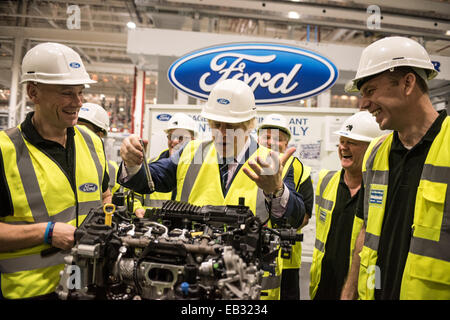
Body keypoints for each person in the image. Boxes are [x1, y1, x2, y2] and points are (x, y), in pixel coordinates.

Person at [118, 79, 306, 300]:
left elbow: (297, 217)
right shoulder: (191, 152)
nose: (222, 133)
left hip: (248, 288)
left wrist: (276, 190)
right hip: (192, 280)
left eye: (232, 127)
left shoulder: (271, 162)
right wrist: (132, 164)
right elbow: (149, 181)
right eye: (216, 124)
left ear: (250, 124)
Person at [341, 36, 450, 300]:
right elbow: (366, 231)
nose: (363, 104)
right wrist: (349, 291)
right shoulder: (376, 153)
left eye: (370, 91)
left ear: (408, 83)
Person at [0, 42, 110, 299]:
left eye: (80, 93)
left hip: (85, 284)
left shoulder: (92, 142)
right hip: (29, 291)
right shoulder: (5, 151)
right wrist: (46, 232)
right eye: (66, 93)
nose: (77, 102)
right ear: (33, 93)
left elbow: (105, 196)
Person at [309, 111, 386, 300]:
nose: (343, 147)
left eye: (351, 142)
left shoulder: (383, 190)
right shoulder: (326, 181)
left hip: (360, 289)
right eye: (342, 141)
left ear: (371, 148)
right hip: (322, 284)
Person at [257, 113, 314, 300]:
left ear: (286, 143)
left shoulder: (300, 169)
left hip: (287, 257)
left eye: (278, 139)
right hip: (253, 249)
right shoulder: (248, 164)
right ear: (257, 139)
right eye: (267, 137)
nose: (272, 142)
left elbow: (305, 216)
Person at [137, 112, 197, 215]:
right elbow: (134, 193)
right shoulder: (151, 165)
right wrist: (137, 208)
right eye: (170, 136)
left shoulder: (200, 171)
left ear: (193, 141)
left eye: (181, 138)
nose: (174, 141)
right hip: (152, 227)